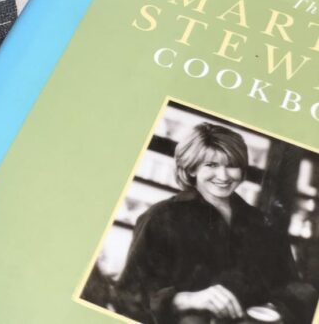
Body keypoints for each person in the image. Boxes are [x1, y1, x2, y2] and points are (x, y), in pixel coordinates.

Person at [110, 123, 317, 324]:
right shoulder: (160, 217)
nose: (224, 176)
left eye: (232, 165)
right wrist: (186, 300)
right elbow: (127, 296)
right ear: (192, 169)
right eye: (211, 165)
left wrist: (275, 311)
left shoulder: (263, 224)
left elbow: (293, 288)